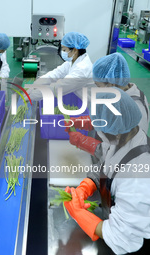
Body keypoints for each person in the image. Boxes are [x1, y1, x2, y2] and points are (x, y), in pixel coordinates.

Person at [64, 89, 150, 254]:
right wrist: (86, 187)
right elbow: (107, 165)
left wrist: (80, 214)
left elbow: (123, 238)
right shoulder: (127, 138)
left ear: (114, 131)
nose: (98, 132)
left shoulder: (137, 175)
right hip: (116, 220)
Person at [27, 31, 94, 101]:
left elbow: (58, 88)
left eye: (64, 50)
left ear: (74, 50)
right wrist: (35, 85)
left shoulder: (82, 69)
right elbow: (55, 74)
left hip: (87, 104)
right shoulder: (72, 61)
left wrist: (32, 96)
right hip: (78, 98)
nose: (62, 52)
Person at [92, 52, 149, 133]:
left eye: (98, 86)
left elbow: (127, 142)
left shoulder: (134, 107)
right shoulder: (124, 93)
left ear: (111, 83)